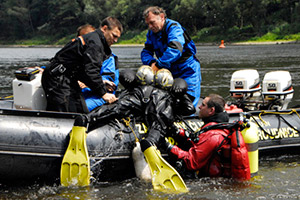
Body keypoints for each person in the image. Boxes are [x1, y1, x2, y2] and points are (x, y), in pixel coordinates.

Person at [86, 66, 195, 148]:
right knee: (159, 125)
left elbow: (117, 107)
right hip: (152, 115)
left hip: (133, 107)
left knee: (115, 109)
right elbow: (189, 109)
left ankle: (87, 119)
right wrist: (182, 94)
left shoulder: (135, 91)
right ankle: (150, 143)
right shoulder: (164, 96)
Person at [42, 17, 123, 113]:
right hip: (57, 78)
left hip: (68, 77)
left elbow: (83, 70)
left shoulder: (97, 42)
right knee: (65, 111)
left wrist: (101, 82)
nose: (115, 40)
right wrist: (104, 94)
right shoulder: (95, 43)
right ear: (104, 29)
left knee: (79, 108)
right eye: (114, 36)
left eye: (117, 37)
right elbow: (91, 71)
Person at [163, 94, 250, 179]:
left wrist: (168, 146)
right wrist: (178, 132)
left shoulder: (213, 135)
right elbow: (198, 141)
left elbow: (191, 162)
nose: (199, 107)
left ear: (211, 110)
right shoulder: (218, 126)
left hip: (213, 182)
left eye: (203, 105)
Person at [141, 6, 201, 108]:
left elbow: (175, 49)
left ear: (162, 17)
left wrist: (159, 64)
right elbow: (146, 51)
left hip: (187, 69)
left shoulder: (174, 28)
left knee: (189, 102)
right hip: (169, 71)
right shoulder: (151, 33)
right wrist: (150, 63)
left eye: (152, 22)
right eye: (148, 24)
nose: (150, 26)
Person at [76, 24, 120, 112]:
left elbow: (109, 84)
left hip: (100, 95)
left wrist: (86, 83)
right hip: (81, 93)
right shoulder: (77, 54)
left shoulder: (108, 58)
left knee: (78, 109)